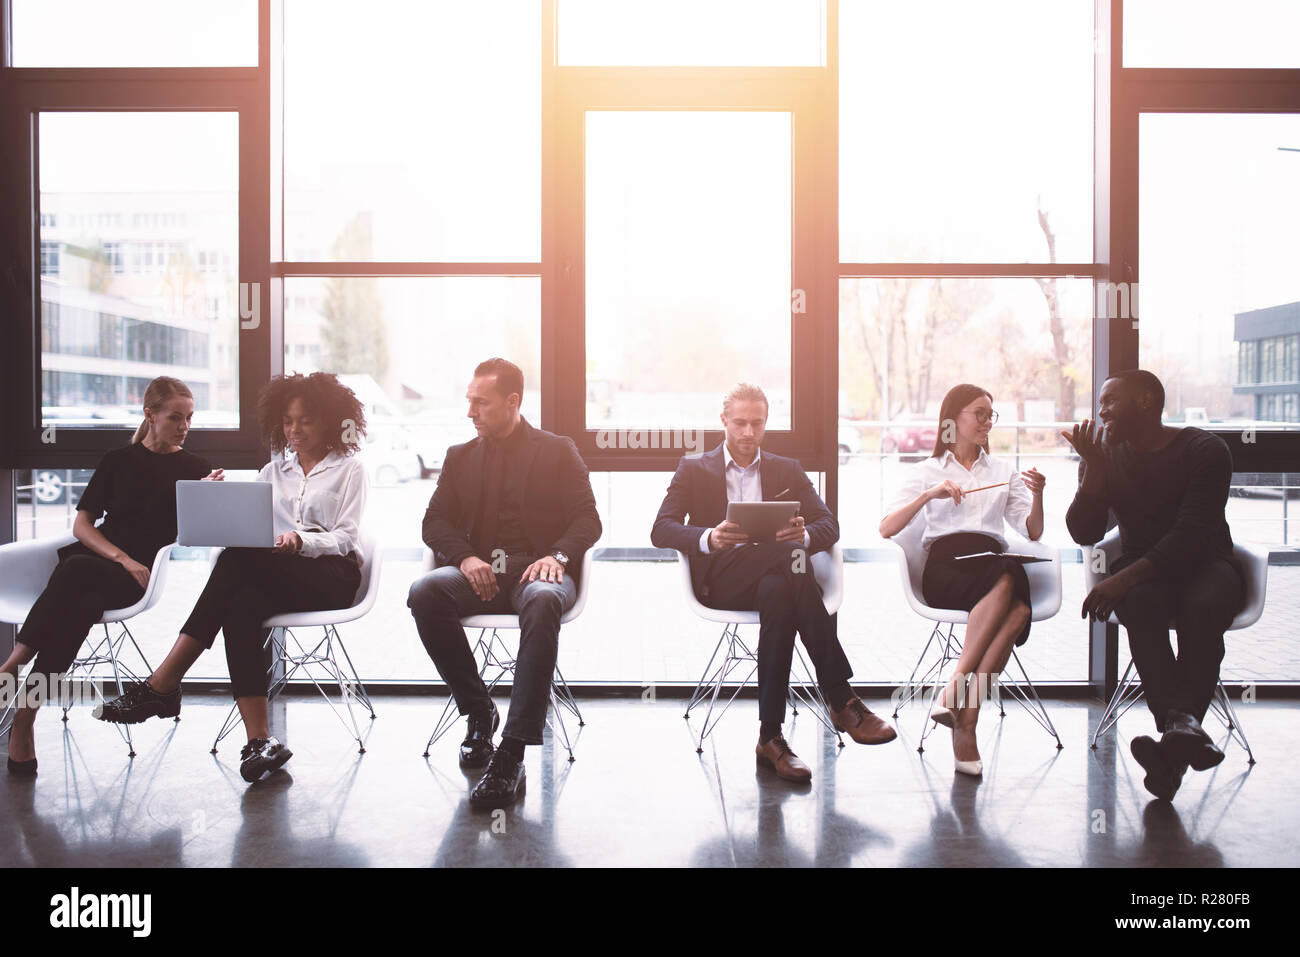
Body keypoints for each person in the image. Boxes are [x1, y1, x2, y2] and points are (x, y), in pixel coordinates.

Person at [96, 373, 369, 784]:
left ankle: (163, 682)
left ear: (330, 421)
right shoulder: (273, 471)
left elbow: (347, 537)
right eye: (288, 421)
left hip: (332, 576)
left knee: (236, 562)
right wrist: (213, 503)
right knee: (240, 603)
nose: (294, 430)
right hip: (277, 576)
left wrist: (300, 541)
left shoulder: (350, 470)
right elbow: (250, 527)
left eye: (306, 421)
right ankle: (259, 740)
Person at [652, 383, 896, 785]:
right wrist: (708, 537)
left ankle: (770, 738)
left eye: (757, 424)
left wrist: (801, 537)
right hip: (723, 579)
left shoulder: (787, 469)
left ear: (766, 423)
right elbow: (661, 528)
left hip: (777, 578)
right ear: (724, 422)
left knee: (780, 591)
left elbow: (828, 525)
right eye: (740, 423)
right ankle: (840, 695)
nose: (749, 433)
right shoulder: (694, 467)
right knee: (789, 565)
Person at [408, 358, 601, 810]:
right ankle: (479, 710)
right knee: (425, 592)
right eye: (469, 401)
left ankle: (511, 752)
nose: (470, 412)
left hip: (540, 571)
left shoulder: (557, 450)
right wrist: (466, 557)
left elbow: (587, 518)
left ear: (512, 402)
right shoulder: (460, 457)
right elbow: (433, 521)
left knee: (542, 600)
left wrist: (558, 556)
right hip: (481, 573)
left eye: (480, 402)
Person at [1, 377, 219, 775]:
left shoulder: (195, 469)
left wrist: (206, 498)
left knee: (74, 571)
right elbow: (83, 525)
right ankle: (25, 716)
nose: (184, 426)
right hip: (104, 563)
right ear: (150, 415)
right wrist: (121, 557)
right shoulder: (118, 460)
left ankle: (14, 665)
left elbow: (193, 538)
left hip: (136, 579)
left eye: (189, 418)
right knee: (79, 598)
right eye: (175, 417)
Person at [1063, 369, 1241, 802]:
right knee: (1141, 604)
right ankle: (1182, 735)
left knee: (1202, 606)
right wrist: (1095, 470)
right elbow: (1084, 531)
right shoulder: (1107, 453)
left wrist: (1119, 579)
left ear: (1146, 401)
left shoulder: (1204, 449)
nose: (1101, 410)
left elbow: (1191, 534)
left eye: (1110, 401)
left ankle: (1170, 748)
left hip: (1206, 563)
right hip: (1147, 574)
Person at [879, 383, 1046, 776]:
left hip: (991, 564)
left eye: (992, 414)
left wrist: (1038, 496)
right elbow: (886, 527)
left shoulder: (1004, 471)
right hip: (946, 568)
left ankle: (964, 718)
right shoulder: (926, 471)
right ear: (953, 420)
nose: (988, 421)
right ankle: (959, 697)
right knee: (1010, 586)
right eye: (980, 414)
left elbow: (1032, 531)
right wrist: (929, 496)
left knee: (1019, 605)